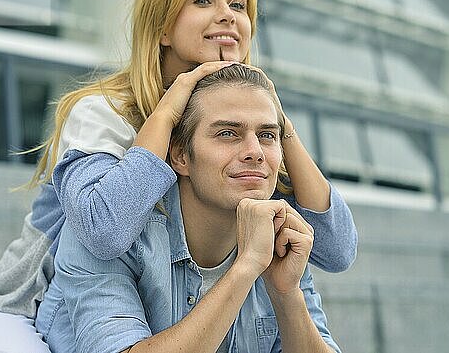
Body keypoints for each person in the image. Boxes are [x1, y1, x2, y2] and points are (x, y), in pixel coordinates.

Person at [0, 0, 357, 352]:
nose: (228, 14)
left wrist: (277, 120)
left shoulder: (240, 139)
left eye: (238, 3)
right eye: (203, 0)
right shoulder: (104, 112)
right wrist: (173, 104)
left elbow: (336, 251)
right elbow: (105, 231)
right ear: (162, 27)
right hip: (29, 310)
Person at [36, 64, 341, 353]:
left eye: (267, 135)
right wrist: (245, 269)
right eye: (227, 133)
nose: (255, 152)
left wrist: (287, 295)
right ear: (180, 155)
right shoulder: (109, 234)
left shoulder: (279, 237)